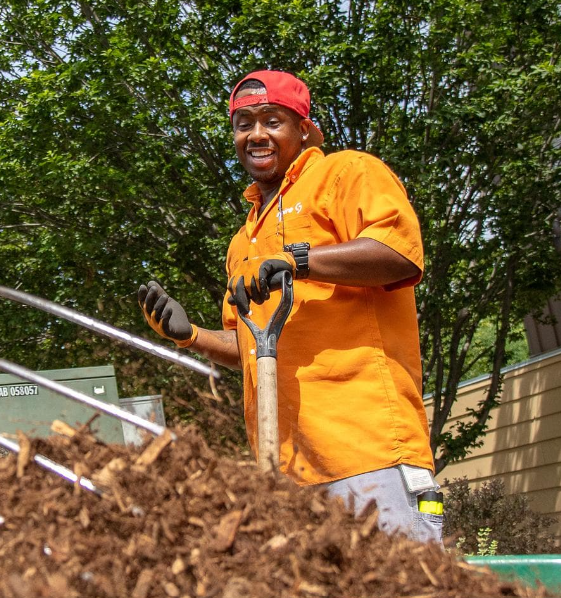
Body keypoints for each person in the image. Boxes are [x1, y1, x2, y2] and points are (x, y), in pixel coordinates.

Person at [137, 70, 441, 543]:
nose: (256, 134)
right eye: (243, 123)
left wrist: (300, 260)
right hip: (287, 475)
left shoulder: (345, 173)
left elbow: (398, 254)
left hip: (369, 454)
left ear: (303, 128)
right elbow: (253, 347)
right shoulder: (244, 238)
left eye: (271, 120)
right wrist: (191, 335)